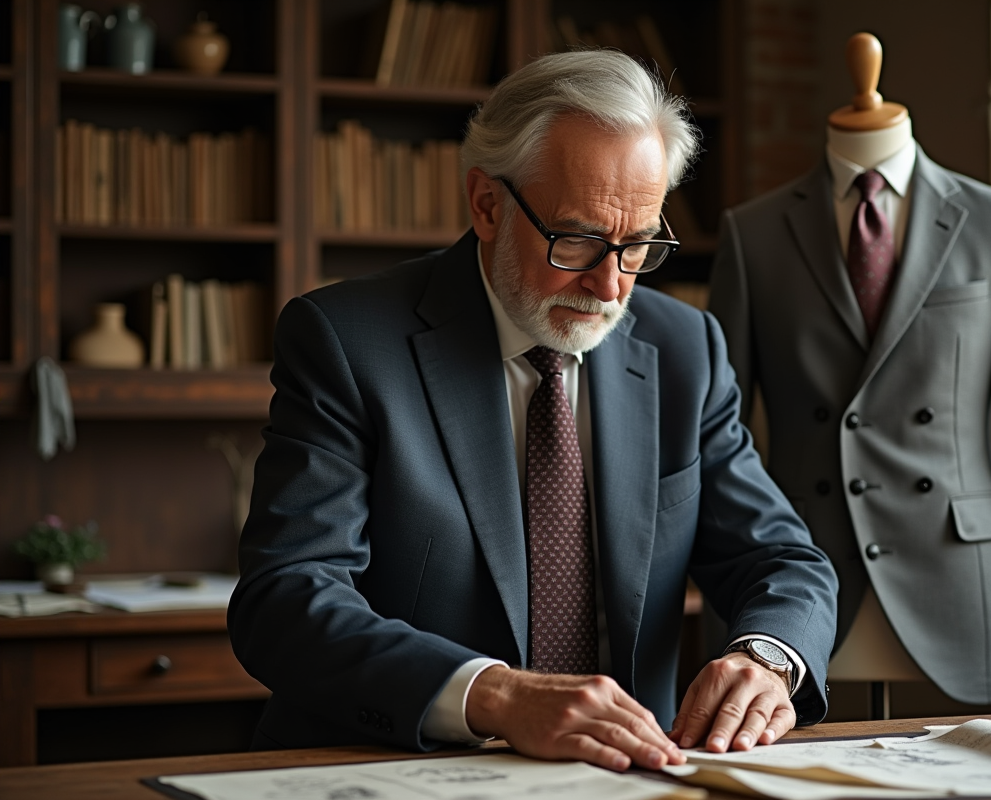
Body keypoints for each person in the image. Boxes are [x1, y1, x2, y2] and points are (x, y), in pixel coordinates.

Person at [228, 49, 838, 773]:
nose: (611, 286)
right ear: (486, 204)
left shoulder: (684, 350)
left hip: (634, 775)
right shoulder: (347, 341)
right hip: (388, 769)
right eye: (577, 239)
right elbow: (286, 598)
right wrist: (495, 695)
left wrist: (768, 658)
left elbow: (780, 558)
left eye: (638, 244)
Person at [707, 34, 991, 708]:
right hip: (804, 584)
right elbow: (717, 438)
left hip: (959, 575)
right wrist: (720, 606)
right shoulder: (752, 233)